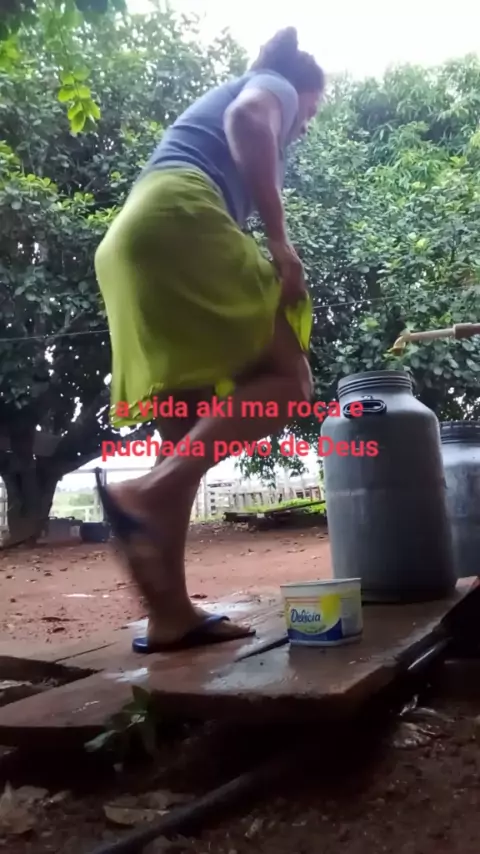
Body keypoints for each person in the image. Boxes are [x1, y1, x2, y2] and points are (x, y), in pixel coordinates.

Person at [94, 26, 326, 653]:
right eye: (310, 112)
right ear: (300, 88)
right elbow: (251, 119)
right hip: (182, 216)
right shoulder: (273, 84)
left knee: (183, 430)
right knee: (290, 380)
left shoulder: (224, 105)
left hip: (131, 242)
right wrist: (279, 241)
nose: (304, 125)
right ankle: (150, 490)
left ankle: (170, 614)